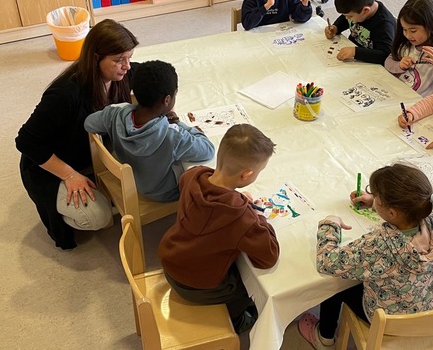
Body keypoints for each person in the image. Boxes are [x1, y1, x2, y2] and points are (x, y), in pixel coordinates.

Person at [15, 19, 138, 250]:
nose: (127, 66)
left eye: (129, 57)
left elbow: (155, 75)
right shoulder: (65, 94)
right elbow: (26, 141)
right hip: (52, 165)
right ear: (95, 58)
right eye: (119, 60)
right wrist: (69, 175)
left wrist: (168, 107)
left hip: (88, 153)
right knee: (97, 217)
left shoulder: (122, 75)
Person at [297, 163, 433, 349]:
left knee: (335, 285)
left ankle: (324, 338)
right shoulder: (429, 219)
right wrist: (376, 203)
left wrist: (330, 224)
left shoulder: (380, 245)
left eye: (377, 197)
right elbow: (402, 217)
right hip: (420, 307)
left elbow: (327, 262)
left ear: (392, 212)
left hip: (388, 319)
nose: (374, 198)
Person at [158, 124, 279, 334]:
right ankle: (237, 320)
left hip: (171, 263)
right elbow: (269, 256)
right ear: (246, 175)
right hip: (199, 286)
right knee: (247, 286)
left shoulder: (192, 176)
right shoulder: (240, 217)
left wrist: (236, 198)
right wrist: (258, 217)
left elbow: (210, 201)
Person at [83, 60, 214, 202]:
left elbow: (89, 123)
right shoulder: (173, 135)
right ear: (167, 100)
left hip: (128, 179)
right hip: (163, 193)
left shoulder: (115, 114)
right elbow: (208, 150)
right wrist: (179, 123)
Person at [384, 0, 433, 97]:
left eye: (413, 31)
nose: (408, 35)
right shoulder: (406, 44)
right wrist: (399, 65)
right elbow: (388, 63)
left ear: (430, 27)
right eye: (404, 29)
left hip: (418, 102)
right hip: (395, 94)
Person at [323, 0, 395, 65]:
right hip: (354, 51)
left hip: (371, 63)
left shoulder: (384, 25)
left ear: (365, 10)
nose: (347, 18)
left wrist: (356, 52)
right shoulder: (358, 8)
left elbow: (385, 55)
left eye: (350, 16)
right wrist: (336, 27)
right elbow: (345, 18)